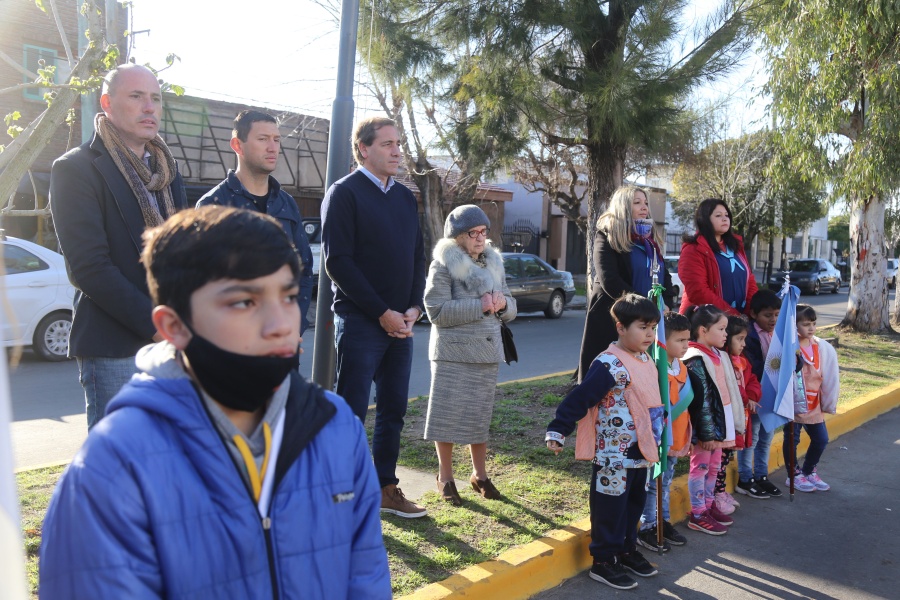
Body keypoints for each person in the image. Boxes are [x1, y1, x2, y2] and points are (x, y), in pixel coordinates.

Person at [39, 207, 391, 599]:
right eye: (244, 302)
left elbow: (367, 577)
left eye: (290, 296)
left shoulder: (336, 426)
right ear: (173, 326)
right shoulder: (113, 467)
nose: (282, 323)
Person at [50, 64, 188, 430]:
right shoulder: (76, 168)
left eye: (156, 99)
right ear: (107, 103)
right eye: (136, 96)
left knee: (169, 460)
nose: (150, 108)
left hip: (175, 342)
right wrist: (156, 325)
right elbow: (88, 268)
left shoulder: (168, 171)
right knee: (120, 469)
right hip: (114, 347)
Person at [321, 116, 427, 518]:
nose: (398, 150)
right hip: (363, 320)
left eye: (398, 143)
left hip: (402, 322)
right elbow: (338, 262)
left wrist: (413, 307)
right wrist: (382, 313)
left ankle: (386, 489)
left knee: (393, 410)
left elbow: (417, 255)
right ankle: (342, 496)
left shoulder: (404, 196)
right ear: (363, 148)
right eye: (387, 144)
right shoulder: (344, 193)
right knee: (350, 411)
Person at [546, 294, 664, 590]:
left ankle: (626, 549)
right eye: (642, 327)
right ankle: (604, 560)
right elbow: (581, 396)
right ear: (620, 327)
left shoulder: (646, 359)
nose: (649, 334)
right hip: (613, 454)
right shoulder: (610, 363)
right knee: (610, 507)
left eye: (653, 327)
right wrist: (559, 429)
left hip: (640, 451)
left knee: (633, 504)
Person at [423, 205, 517, 505]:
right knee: (446, 417)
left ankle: (480, 475)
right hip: (453, 353)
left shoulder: (493, 263)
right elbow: (435, 312)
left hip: (487, 352)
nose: (479, 238)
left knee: (479, 417)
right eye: (472, 233)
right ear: (458, 237)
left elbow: (511, 306)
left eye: (483, 232)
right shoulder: (442, 265)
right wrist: (480, 306)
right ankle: (446, 476)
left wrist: (502, 306)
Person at [197, 110, 314, 333]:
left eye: (276, 139)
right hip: (235, 343)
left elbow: (303, 270)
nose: (273, 147)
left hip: (283, 338)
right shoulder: (213, 205)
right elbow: (204, 283)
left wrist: (293, 325)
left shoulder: (286, 203)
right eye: (263, 139)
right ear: (237, 145)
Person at [578, 185, 675, 382]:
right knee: (606, 383)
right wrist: (643, 306)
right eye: (637, 202)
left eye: (646, 203)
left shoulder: (650, 240)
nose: (644, 207)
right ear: (623, 206)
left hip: (650, 320)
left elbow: (665, 277)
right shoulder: (606, 235)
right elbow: (610, 280)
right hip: (615, 318)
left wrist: (666, 303)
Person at [683, 304, 744, 535]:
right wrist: (706, 434)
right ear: (702, 330)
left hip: (721, 423)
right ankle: (698, 513)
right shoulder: (695, 358)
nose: (726, 334)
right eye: (721, 329)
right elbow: (702, 402)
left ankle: (708, 507)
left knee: (715, 466)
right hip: (707, 428)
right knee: (701, 467)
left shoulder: (718, 354)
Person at [638, 312, 692, 553]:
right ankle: (648, 525)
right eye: (680, 340)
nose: (685, 345)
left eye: (687, 340)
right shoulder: (654, 366)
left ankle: (663, 520)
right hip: (659, 438)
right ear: (663, 340)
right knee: (653, 483)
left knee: (666, 481)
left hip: (676, 436)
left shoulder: (680, 366)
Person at [782, 304, 839, 492]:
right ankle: (793, 475)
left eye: (814, 324)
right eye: (806, 324)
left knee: (821, 439)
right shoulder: (790, 348)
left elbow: (828, 374)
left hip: (814, 403)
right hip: (794, 402)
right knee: (792, 439)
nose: (811, 328)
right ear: (794, 326)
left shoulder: (821, 347)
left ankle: (808, 470)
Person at [736, 289, 783, 499]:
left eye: (776, 314)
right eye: (767, 315)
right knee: (751, 438)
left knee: (766, 437)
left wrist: (793, 362)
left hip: (772, 396)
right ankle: (745, 478)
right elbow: (753, 367)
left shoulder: (780, 334)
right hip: (756, 397)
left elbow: (791, 361)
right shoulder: (749, 337)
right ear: (754, 314)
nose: (773, 319)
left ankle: (762, 475)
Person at [712, 315, 761, 516]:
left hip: (739, 418)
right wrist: (743, 397)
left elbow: (752, 381)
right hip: (725, 419)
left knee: (726, 457)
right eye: (739, 339)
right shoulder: (722, 362)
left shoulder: (743, 361)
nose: (743, 344)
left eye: (744, 339)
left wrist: (751, 395)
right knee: (720, 459)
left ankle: (721, 492)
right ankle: (716, 494)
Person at [678, 198, 758, 316]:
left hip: (740, 324)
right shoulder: (693, 249)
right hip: (706, 322)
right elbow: (698, 291)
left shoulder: (736, 246)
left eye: (727, 215)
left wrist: (750, 312)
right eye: (718, 215)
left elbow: (749, 280)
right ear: (704, 219)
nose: (725, 218)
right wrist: (732, 315)